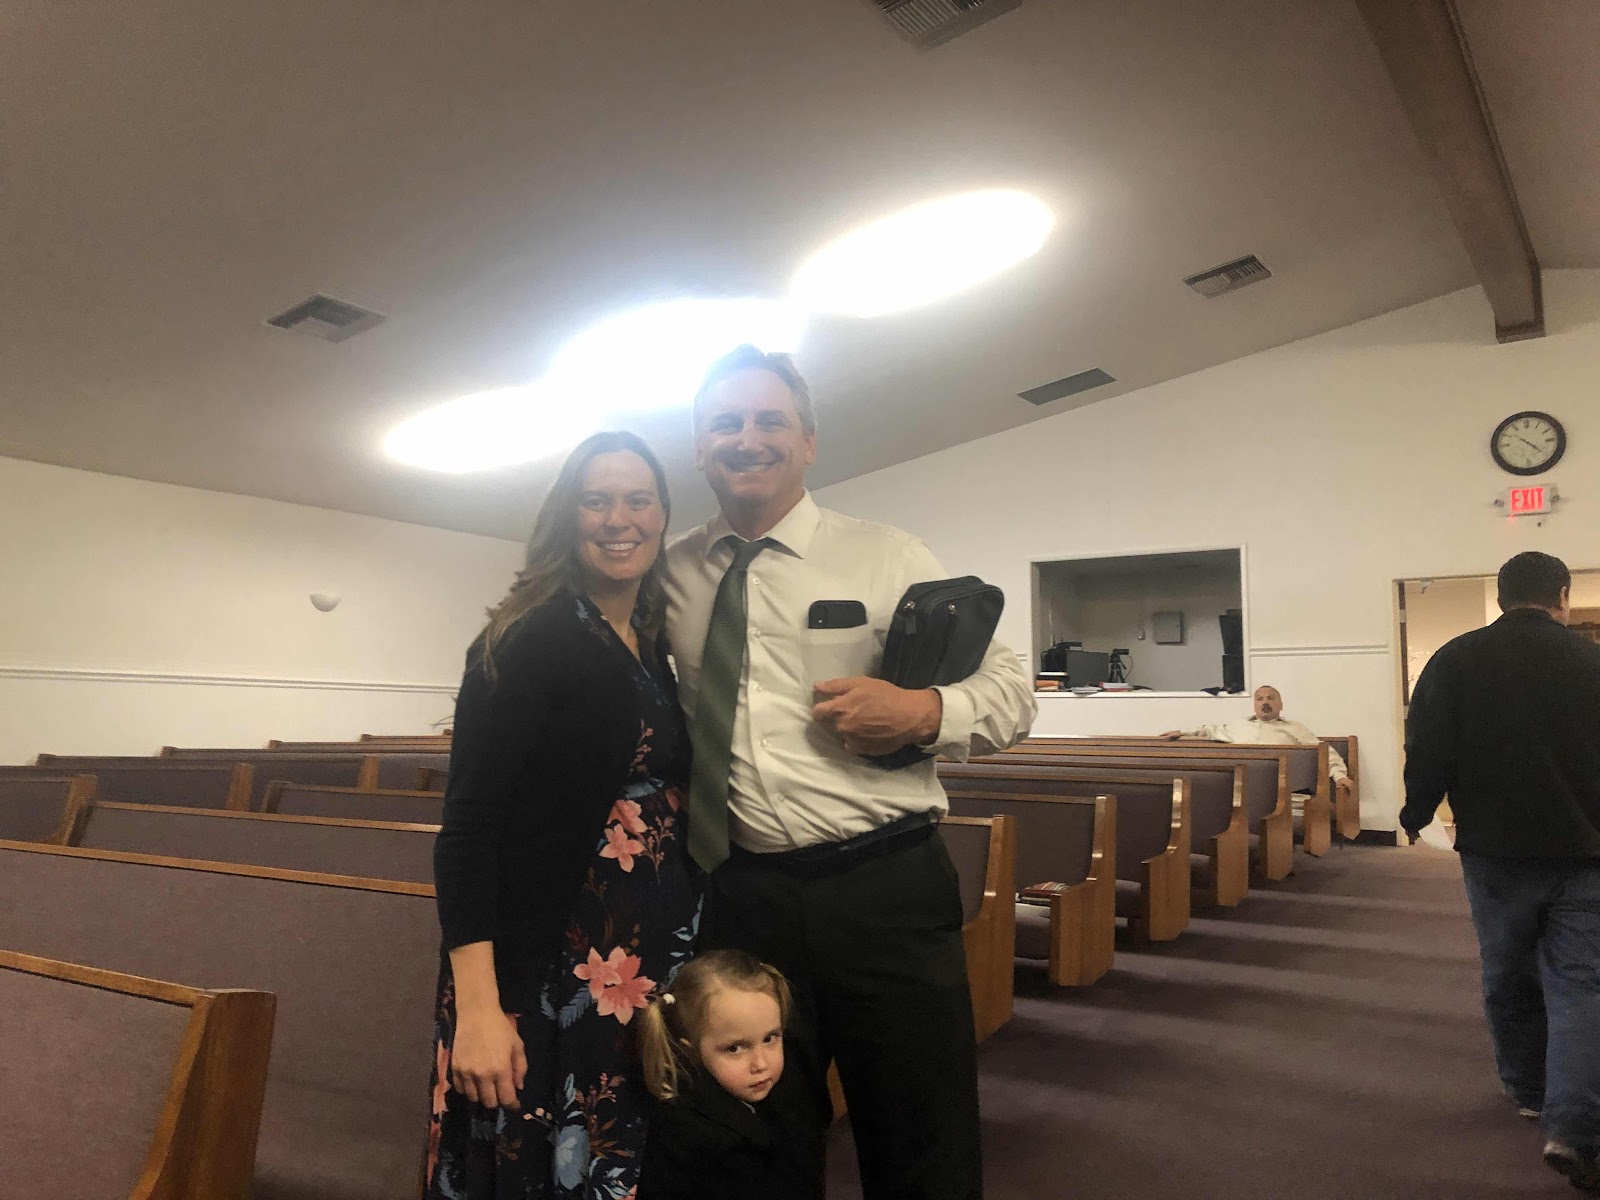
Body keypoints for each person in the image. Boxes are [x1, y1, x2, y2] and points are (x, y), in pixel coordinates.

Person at [662, 344, 1036, 1200]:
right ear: (700, 446)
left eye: (770, 421)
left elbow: (1013, 694)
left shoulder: (887, 556)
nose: (747, 438)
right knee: (757, 1138)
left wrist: (925, 712)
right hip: (742, 895)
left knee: (920, 1137)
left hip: (883, 889)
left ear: (808, 442)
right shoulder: (672, 574)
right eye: (725, 422)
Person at [424, 431, 698, 1200]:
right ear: (565, 519)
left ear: (663, 515)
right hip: (548, 971)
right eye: (596, 500)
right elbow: (468, 832)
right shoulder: (527, 637)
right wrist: (480, 1008)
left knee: (621, 1162)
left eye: (639, 500)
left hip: (635, 970)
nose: (619, 518)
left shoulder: (647, 642)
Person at [1400, 550, 1600, 1194]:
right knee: (1582, 984)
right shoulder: (1592, 661)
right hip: (1586, 851)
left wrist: (1416, 811)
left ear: (1501, 596)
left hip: (1495, 852)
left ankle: (1528, 1089)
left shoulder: (1456, 659)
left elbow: (1427, 746)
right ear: (1562, 596)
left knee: (1507, 969)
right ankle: (1574, 1126)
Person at [635, 949, 820, 1200]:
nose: (760, 1063)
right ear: (692, 1050)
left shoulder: (779, 1098)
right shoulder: (694, 1134)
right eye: (734, 1048)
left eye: (770, 1038)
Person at [1160, 684, 1354, 809]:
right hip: (1240, 788)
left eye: (1270, 698)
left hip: (1280, 790)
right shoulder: (1238, 727)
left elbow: (1324, 752)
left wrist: (1340, 776)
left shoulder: (1295, 729)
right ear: (1254, 705)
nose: (1265, 703)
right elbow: (1208, 730)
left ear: (1280, 705)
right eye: (1260, 699)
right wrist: (1181, 732)